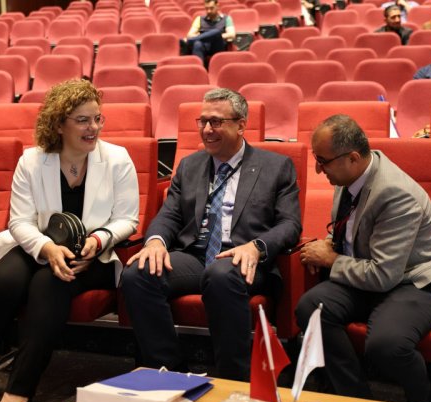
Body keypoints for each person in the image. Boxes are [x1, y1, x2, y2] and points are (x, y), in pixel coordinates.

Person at [0, 79, 139, 402]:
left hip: (94, 255)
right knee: (1, 282)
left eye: (97, 119)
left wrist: (99, 240)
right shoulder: (32, 160)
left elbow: (127, 219)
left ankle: (20, 386)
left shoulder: (117, 158)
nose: (93, 128)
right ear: (59, 124)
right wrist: (46, 247)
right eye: (82, 120)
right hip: (39, 243)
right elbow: (20, 221)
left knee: (49, 284)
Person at [121, 88, 301, 381]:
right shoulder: (189, 165)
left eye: (216, 122)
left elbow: (290, 224)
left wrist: (256, 246)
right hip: (196, 255)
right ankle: (170, 373)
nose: (206, 129)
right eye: (202, 121)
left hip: (245, 259)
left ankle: (234, 379)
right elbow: (170, 215)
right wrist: (155, 242)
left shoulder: (275, 166)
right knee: (138, 274)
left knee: (221, 275)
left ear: (241, 125)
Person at [295, 115, 431, 402]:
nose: (318, 169)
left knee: (386, 344)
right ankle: (356, 401)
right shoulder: (349, 175)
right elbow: (354, 228)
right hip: (368, 270)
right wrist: (330, 243)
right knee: (311, 307)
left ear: (353, 157)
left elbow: (384, 275)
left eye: (322, 161)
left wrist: (331, 260)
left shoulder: (396, 193)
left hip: (414, 280)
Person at [184, 0, 236, 64]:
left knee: (216, 32)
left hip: (218, 45)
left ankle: (190, 41)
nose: (209, 11)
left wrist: (214, 36)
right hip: (204, 44)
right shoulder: (199, 19)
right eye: (206, 9)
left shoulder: (226, 18)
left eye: (211, 8)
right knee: (197, 44)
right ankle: (199, 68)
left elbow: (232, 34)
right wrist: (207, 37)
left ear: (217, 6)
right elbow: (189, 35)